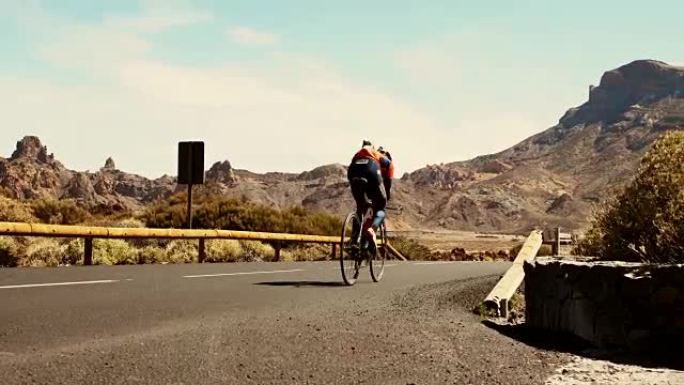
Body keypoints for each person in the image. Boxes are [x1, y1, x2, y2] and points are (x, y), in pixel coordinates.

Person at [347, 140, 394, 249]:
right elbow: (388, 182)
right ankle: (371, 229)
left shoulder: (358, 153)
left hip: (353, 171)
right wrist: (386, 196)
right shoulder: (382, 158)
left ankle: (354, 240)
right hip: (371, 170)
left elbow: (352, 173)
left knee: (360, 206)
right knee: (382, 204)